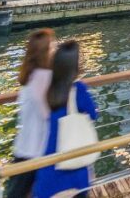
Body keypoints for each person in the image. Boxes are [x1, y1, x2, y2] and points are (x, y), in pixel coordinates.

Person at [32, 40, 98, 198]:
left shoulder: (45, 89)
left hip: (47, 166)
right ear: (75, 67)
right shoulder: (78, 90)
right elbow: (93, 114)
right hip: (73, 166)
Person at [6, 28, 55, 198]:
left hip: (24, 147)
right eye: (52, 47)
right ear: (44, 52)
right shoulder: (44, 77)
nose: (55, 50)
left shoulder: (29, 76)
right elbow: (48, 113)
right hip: (38, 150)